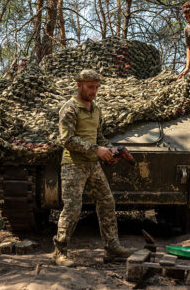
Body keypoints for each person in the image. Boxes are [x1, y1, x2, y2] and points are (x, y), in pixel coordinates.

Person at [53, 69, 134, 267]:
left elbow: (99, 138)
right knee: (72, 208)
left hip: (92, 165)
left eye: (97, 87)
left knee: (107, 202)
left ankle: (112, 248)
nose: (94, 91)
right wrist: (96, 150)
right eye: (90, 87)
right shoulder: (70, 108)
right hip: (73, 165)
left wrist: (112, 151)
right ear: (79, 85)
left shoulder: (95, 109)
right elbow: (67, 139)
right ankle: (59, 252)